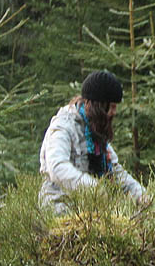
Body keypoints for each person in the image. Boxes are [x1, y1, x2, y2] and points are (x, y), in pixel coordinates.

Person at [38, 70, 148, 212]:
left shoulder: (95, 132)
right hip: (57, 210)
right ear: (99, 106)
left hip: (89, 211)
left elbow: (115, 171)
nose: (114, 112)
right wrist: (94, 188)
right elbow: (57, 167)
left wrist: (142, 195)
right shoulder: (63, 126)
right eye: (112, 107)